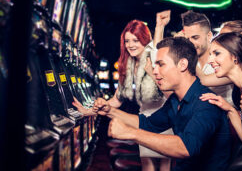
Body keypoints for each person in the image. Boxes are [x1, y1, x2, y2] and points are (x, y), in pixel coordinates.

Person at [94, 37, 231, 171]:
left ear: (182, 65)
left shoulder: (206, 102)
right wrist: (110, 111)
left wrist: (130, 133)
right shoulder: (175, 100)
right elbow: (147, 124)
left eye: (161, 64)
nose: (154, 71)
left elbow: (186, 147)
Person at [74, 12, 173, 171]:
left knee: (164, 166)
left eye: (135, 40)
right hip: (144, 118)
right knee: (147, 164)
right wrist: (88, 111)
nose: (131, 45)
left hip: (163, 116)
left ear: (144, 40)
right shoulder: (128, 64)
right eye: (127, 41)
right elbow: (116, 100)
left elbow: (157, 49)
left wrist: (160, 26)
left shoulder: (152, 57)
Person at [174, 10, 233, 105]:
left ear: (209, 36)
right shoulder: (190, 62)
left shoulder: (224, 56)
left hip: (228, 116)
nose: (190, 43)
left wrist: (185, 53)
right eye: (187, 39)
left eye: (195, 38)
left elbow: (203, 80)